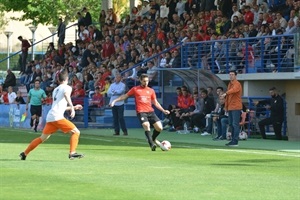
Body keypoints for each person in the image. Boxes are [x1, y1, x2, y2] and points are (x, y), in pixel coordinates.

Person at [20, 70, 84, 160]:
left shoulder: (55, 90)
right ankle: (72, 153)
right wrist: (72, 108)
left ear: (58, 80)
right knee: (76, 132)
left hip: (51, 116)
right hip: (57, 117)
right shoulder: (67, 88)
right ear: (67, 79)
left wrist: (73, 107)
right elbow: (66, 95)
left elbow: (58, 106)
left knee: (42, 138)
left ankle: (25, 153)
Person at [109, 74, 170, 151]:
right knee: (146, 125)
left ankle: (153, 139)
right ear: (140, 80)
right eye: (144, 81)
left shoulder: (151, 90)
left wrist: (163, 110)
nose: (146, 82)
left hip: (150, 111)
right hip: (141, 111)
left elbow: (155, 102)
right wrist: (114, 101)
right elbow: (125, 96)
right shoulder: (135, 89)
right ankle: (151, 144)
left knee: (159, 128)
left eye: (147, 81)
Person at [221, 70, 243, 146]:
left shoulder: (237, 84)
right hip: (230, 107)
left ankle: (235, 140)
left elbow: (233, 90)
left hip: (236, 107)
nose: (231, 76)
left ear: (235, 76)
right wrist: (226, 107)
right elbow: (228, 97)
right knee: (231, 124)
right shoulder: (230, 84)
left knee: (235, 124)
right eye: (230, 74)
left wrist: (225, 93)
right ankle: (233, 140)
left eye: (232, 74)